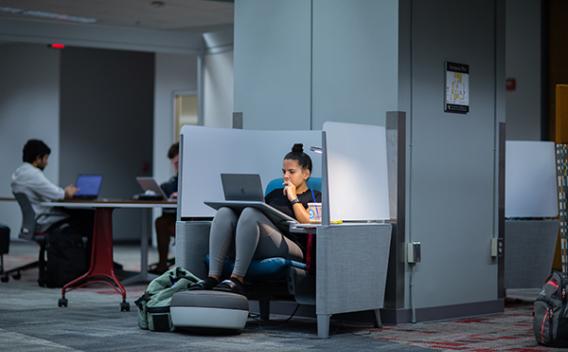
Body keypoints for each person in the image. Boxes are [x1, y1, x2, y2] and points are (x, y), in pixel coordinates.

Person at [190, 143, 321, 294]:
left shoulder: (315, 195)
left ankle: (237, 278)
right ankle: (213, 276)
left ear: (306, 174)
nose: (286, 176)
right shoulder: (275, 193)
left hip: (293, 246)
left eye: (291, 172)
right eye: (284, 171)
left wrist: (293, 198)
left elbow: (307, 222)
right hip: (262, 241)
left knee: (251, 213)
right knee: (224, 212)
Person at [11, 139, 90, 234]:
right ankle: (91, 249)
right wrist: (67, 192)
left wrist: (63, 192)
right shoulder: (33, 174)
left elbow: (48, 191)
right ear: (37, 159)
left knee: (79, 215)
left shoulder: (18, 173)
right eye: (46, 158)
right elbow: (58, 194)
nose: (47, 163)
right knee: (88, 216)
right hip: (44, 219)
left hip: (35, 220)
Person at [152, 142, 179, 274]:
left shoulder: (196, 178)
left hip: (190, 219)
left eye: (178, 163)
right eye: (174, 163)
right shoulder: (171, 183)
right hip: (173, 218)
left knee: (164, 222)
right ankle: (162, 264)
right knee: (160, 221)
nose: (176, 166)